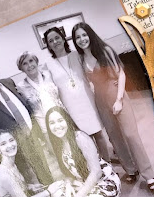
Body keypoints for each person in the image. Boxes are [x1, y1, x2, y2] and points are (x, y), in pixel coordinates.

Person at [72, 22, 154, 193]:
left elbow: (121, 74)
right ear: (75, 41)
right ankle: (131, 170)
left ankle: (149, 175)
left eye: (84, 35)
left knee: (131, 135)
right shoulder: (81, 59)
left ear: (90, 34)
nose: (82, 39)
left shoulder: (105, 51)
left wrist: (119, 99)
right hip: (100, 100)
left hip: (117, 95)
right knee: (115, 137)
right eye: (78, 37)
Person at [46, 106, 122, 197]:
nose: (57, 126)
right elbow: (68, 171)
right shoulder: (58, 142)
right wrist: (68, 184)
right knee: (55, 192)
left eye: (60, 120)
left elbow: (96, 172)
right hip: (83, 182)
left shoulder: (80, 137)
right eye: (52, 123)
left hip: (104, 182)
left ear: (67, 120)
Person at [0, 58, 53, 185]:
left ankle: (53, 190)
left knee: (46, 170)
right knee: (29, 180)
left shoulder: (8, 82)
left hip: (32, 134)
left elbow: (25, 105)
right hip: (13, 146)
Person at [43, 26, 113, 162]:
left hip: (87, 101)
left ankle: (107, 164)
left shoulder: (77, 55)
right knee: (84, 138)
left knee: (98, 134)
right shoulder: (48, 65)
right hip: (71, 107)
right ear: (48, 46)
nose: (55, 42)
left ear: (63, 39)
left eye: (57, 38)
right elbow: (50, 89)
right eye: (51, 41)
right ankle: (96, 164)